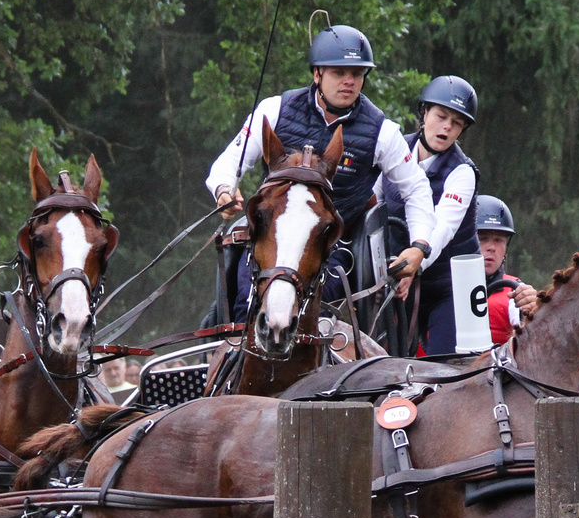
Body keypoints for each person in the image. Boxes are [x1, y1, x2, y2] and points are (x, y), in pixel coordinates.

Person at [205, 25, 439, 318]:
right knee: (243, 300)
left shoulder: (382, 132)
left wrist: (419, 246)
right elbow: (229, 162)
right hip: (270, 240)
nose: (349, 82)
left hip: (332, 247)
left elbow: (416, 188)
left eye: (357, 74)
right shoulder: (274, 110)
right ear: (317, 74)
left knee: (311, 310)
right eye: (339, 73)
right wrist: (225, 190)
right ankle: (232, 350)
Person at [374, 75, 484, 354]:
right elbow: (370, 206)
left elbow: (441, 228)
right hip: (399, 279)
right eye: (441, 116)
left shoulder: (463, 172)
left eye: (456, 123)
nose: (446, 127)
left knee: (450, 370)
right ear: (424, 113)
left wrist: (414, 265)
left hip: (452, 287)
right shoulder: (394, 151)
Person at [473, 196, 540, 345]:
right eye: (482, 239)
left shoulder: (515, 292)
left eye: (499, 240)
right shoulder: (439, 286)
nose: (491, 247)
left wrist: (536, 312)